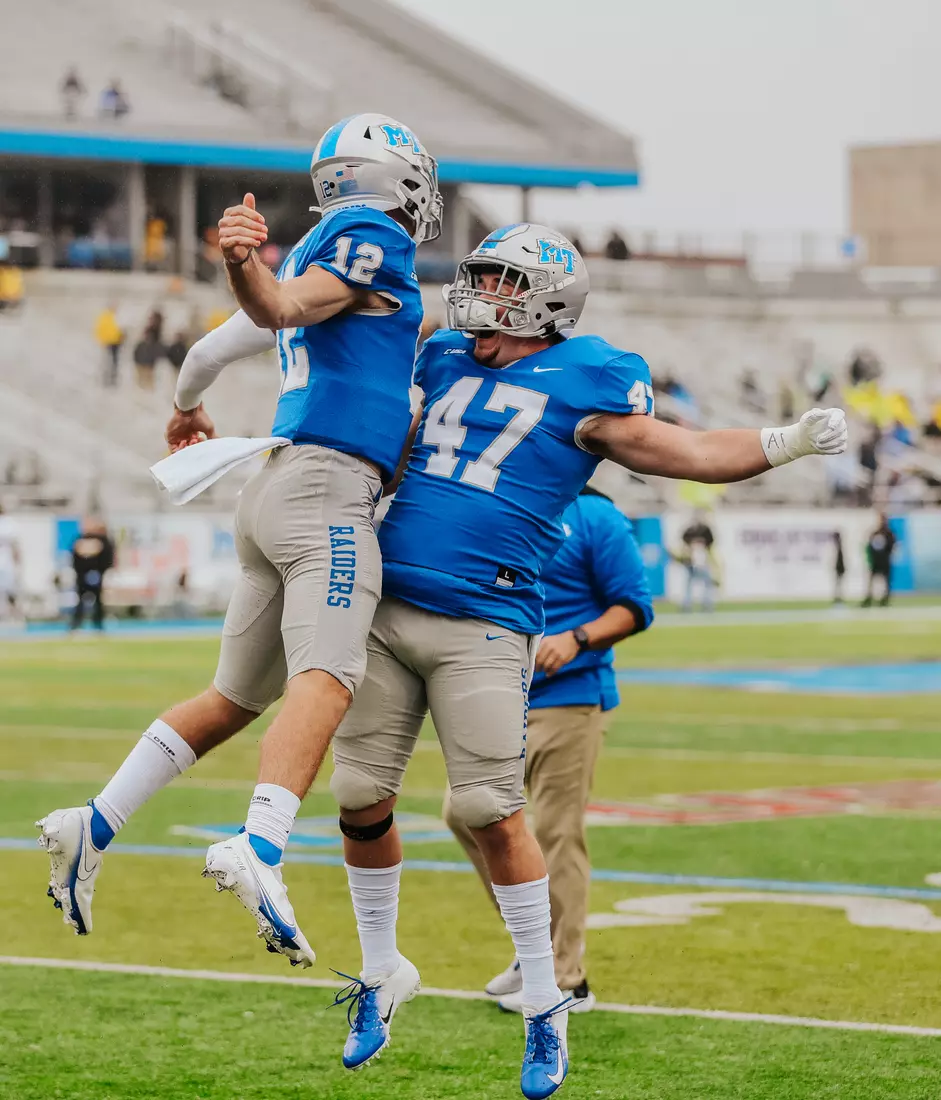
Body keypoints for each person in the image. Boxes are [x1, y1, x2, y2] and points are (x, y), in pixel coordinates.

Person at [325, 224, 846, 1097]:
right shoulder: (443, 353)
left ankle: (544, 1002)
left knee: (492, 808)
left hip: (488, 614)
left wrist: (783, 440)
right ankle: (380, 975)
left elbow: (683, 453)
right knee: (354, 794)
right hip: (389, 605)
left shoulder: (590, 376)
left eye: (497, 279)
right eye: (479, 274)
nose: (477, 290)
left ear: (544, 300)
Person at [36, 113, 442, 975]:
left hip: (274, 487)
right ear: (388, 178)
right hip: (327, 491)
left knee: (231, 698)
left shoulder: (313, 250)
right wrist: (237, 264)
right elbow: (279, 305)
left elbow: (216, 346)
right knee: (329, 676)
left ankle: (92, 823)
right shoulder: (366, 237)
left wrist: (185, 404)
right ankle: (259, 845)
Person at [443, 486, 654, 1015]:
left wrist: (577, 638)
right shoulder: (504, 504)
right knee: (465, 811)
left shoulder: (595, 516)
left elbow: (634, 605)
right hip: (499, 694)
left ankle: (567, 981)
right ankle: (533, 948)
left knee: (558, 832)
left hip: (571, 698)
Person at [70, 520, 115, 631]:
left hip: (97, 575)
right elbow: (75, 557)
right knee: (81, 601)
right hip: (82, 576)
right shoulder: (80, 539)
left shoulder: (103, 541)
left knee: (98, 602)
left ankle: (98, 625)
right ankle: (76, 625)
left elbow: (108, 558)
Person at [679, 513, 717, 612]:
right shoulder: (690, 530)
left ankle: (706, 604)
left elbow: (711, 542)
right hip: (692, 560)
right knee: (691, 584)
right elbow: (684, 540)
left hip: (702, 559)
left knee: (705, 583)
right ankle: (688, 605)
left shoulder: (704, 530)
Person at [863, 514, 895, 607]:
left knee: (887, 582)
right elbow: (869, 546)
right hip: (876, 561)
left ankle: (884, 601)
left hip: (885, 561)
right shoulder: (875, 533)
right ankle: (868, 600)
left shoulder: (889, 534)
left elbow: (892, 546)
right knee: (871, 581)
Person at [0, 504, 22, 623]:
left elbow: (15, 546)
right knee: (9, 591)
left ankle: (15, 615)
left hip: (6, 562)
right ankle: (14, 615)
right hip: (7, 563)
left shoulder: (8, 523)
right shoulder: (9, 523)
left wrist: (17, 562)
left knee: (10, 591)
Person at [95, 304, 124, 387]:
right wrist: (102, 340)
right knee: (108, 360)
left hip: (116, 342)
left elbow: (119, 329)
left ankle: (113, 378)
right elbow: (101, 329)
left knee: (114, 361)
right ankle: (107, 378)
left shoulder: (116, 317)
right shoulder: (106, 317)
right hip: (108, 341)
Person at [832, 531, 846, 604]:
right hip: (839, 568)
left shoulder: (839, 545)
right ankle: (838, 597)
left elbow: (840, 558)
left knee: (839, 584)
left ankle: (838, 597)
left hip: (839, 568)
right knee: (838, 584)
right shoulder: (837, 545)